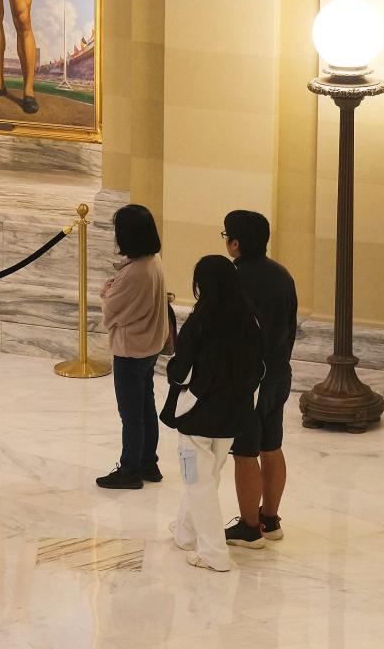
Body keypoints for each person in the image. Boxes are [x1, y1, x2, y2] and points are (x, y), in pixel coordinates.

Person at [164, 255, 263, 572]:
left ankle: (214, 553)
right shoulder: (250, 319)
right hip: (234, 415)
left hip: (198, 416)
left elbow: (180, 369)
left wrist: (174, 375)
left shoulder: (201, 319)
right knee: (209, 476)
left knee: (196, 481)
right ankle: (186, 531)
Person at [222, 210, 298, 548]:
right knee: (272, 445)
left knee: (244, 452)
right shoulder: (282, 275)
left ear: (235, 242)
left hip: (248, 380)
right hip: (279, 373)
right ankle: (271, 519)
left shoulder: (232, 277)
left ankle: (250, 528)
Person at [95, 204, 170, 490]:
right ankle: (149, 463)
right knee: (145, 408)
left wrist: (106, 293)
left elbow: (111, 311)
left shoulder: (134, 272)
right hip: (149, 346)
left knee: (131, 415)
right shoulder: (154, 260)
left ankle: (130, 471)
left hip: (131, 350)